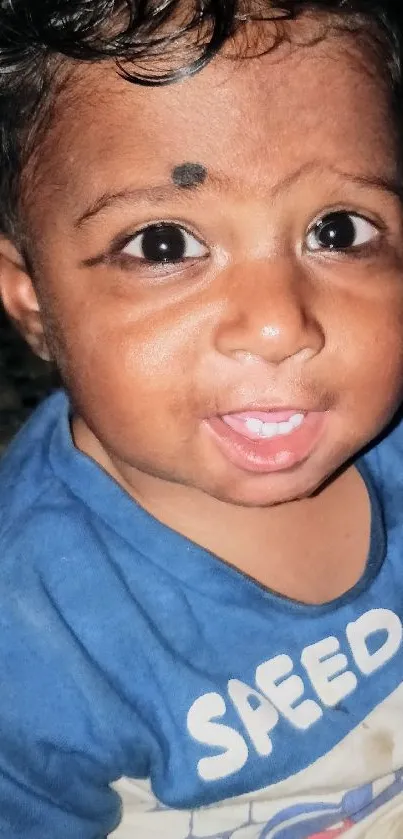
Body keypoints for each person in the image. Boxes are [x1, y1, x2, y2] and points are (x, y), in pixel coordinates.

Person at [0, 0, 403, 836]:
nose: (277, 325)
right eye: (161, 245)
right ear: (32, 297)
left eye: (338, 229)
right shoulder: (30, 639)